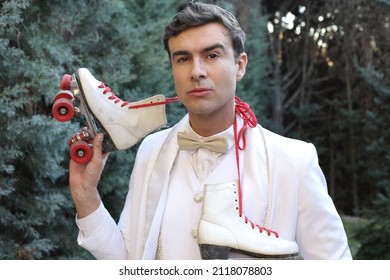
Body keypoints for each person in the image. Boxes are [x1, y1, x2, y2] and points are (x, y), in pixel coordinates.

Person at [68, 1, 352, 260]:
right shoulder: (151, 150)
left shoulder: (294, 161)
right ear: (172, 69)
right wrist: (86, 196)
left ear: (239, 66)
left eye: (212, 55)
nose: (197, 71)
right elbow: (129, 262)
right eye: (183, 59)